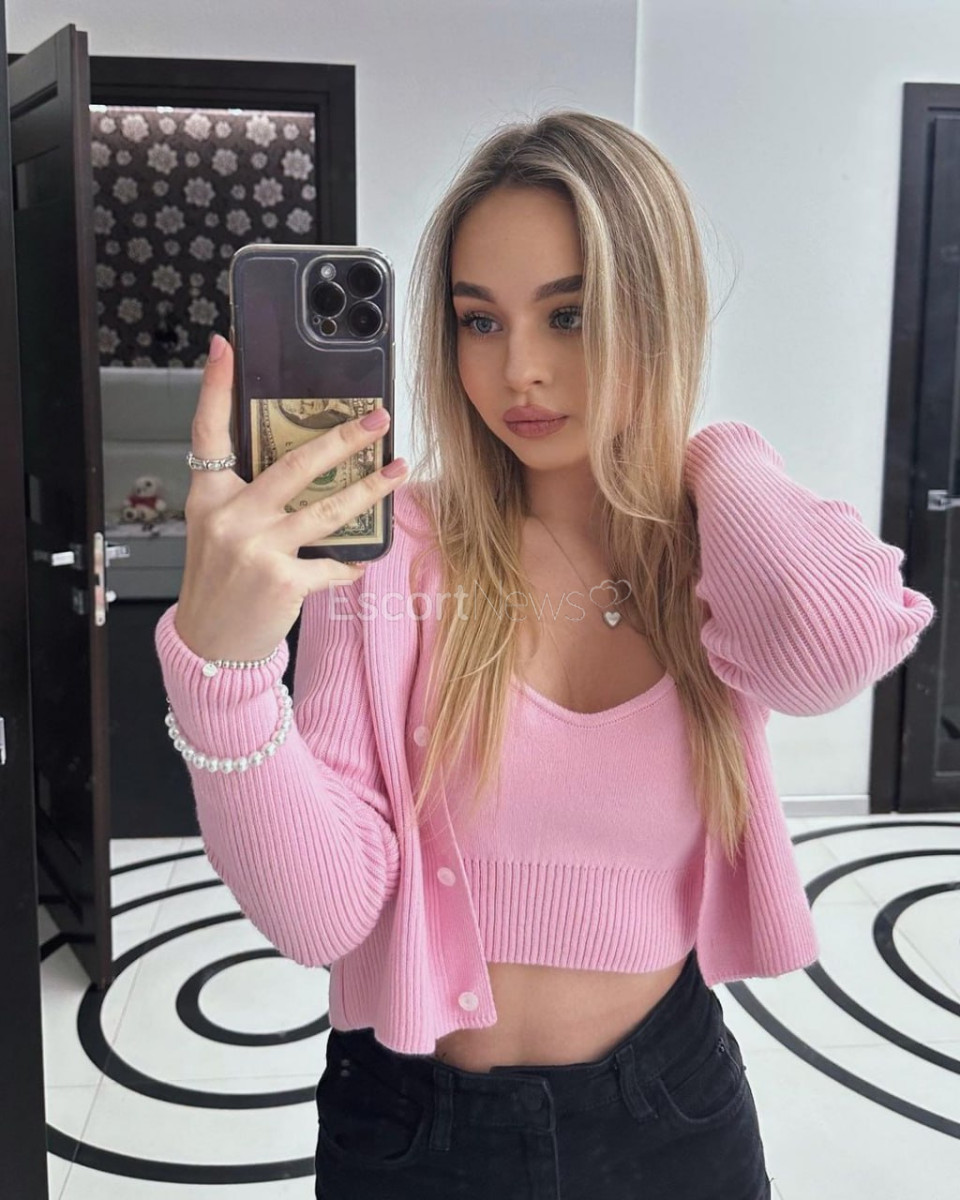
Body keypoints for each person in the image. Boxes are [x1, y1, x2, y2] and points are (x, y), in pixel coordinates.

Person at [155, 109, 937, 1199]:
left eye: (570, 314)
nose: (520, 369)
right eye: (480, 322)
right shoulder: (395, 549)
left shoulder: (718, 549)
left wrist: (713, 453)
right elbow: (319, 916)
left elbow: (832, 650)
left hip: (669, 1114)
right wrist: (224, 670)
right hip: (411, 1125)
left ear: (655, 313)